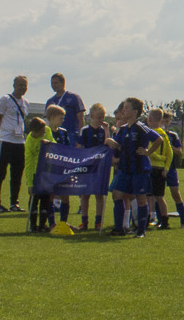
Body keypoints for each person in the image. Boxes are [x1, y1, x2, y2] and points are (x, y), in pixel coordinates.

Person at [105, 97, 159, 238]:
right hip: (124, 169)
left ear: (134, 112)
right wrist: (109, 140)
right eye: (124, 107)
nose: (124, 110)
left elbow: (158, 139)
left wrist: (148, 152)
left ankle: (141, 230)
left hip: (139, 169)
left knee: (141, 199)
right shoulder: (123, 129)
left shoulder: (141, 127)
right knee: (116, 195)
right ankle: (119, 228)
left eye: (127, 107)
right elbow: (116, 143)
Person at [0, 76, 29, 213]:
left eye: (25, 85)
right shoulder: (5, 99)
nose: (22, 87)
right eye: (20, 85)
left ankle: (14, 203)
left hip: (19, 142)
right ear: (14, 85)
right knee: (0, 173)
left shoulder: (25, 102)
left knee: (17, 173)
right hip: (6, 140)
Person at [76, 103, 111, 231]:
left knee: (99, 194)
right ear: (91, 116)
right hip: (87, 166)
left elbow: (108, 144)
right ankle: (84, 221)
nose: (101, 120)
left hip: (100, 167)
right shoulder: (85, 130)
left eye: (102, 117)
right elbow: (80, 147)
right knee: (85, 195)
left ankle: (98, 222)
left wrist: (107, 130)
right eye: (98, 117)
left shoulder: (103, 130)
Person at [22, 116, 56, 233]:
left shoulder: (48, 131)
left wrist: (49, 143)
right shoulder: (30, 142)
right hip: (36, 173)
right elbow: (28, 162)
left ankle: (42, 224)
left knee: (45, 199)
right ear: (34, 131)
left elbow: (55, 145)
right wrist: (30, 184)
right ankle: (33, 225)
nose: (43, 133)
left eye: (44, 131)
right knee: (34, 199)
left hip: (46, 171)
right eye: (41, 132)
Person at [46, 103, 74, 225]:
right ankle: (52, 223)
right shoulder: (45, 131)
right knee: (50, 195)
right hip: (50, 169)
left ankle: (63, 223)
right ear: (52, 117)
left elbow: (68, 149)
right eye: (61, 118)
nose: (63, 120)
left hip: (63, 169)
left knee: (65, 195)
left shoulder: (63, 132)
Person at [160, 110, 184, 228]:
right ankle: (160, 220)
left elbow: (179, 151)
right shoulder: (155, 134)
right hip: (158, 168)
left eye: (167, 121)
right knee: (158, 195)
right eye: (163, 121)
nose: (165, 123)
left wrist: (168, 145)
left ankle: (183, 221)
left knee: (175, 193)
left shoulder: (173, 135)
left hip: (171, 168)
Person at [146, 108, 173, 230]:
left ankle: (146, 220)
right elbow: (170, 153)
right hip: (161, 169)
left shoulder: (151, 134)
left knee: (147, 196)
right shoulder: (164, 134)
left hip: (151, 167)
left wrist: (156, 156)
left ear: (149, 119)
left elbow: (149, 151)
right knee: (159, 196)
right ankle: (165, 221)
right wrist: (166, 167)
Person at [45, 73, 85, 144]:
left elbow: (81, 118)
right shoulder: (50, 101)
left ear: (63, 83)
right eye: (52, 83)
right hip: (54, 135)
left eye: (56, 83)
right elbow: (47, 120)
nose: (54, 85)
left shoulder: (74, 97)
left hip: (72, 135)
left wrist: (80, 138)